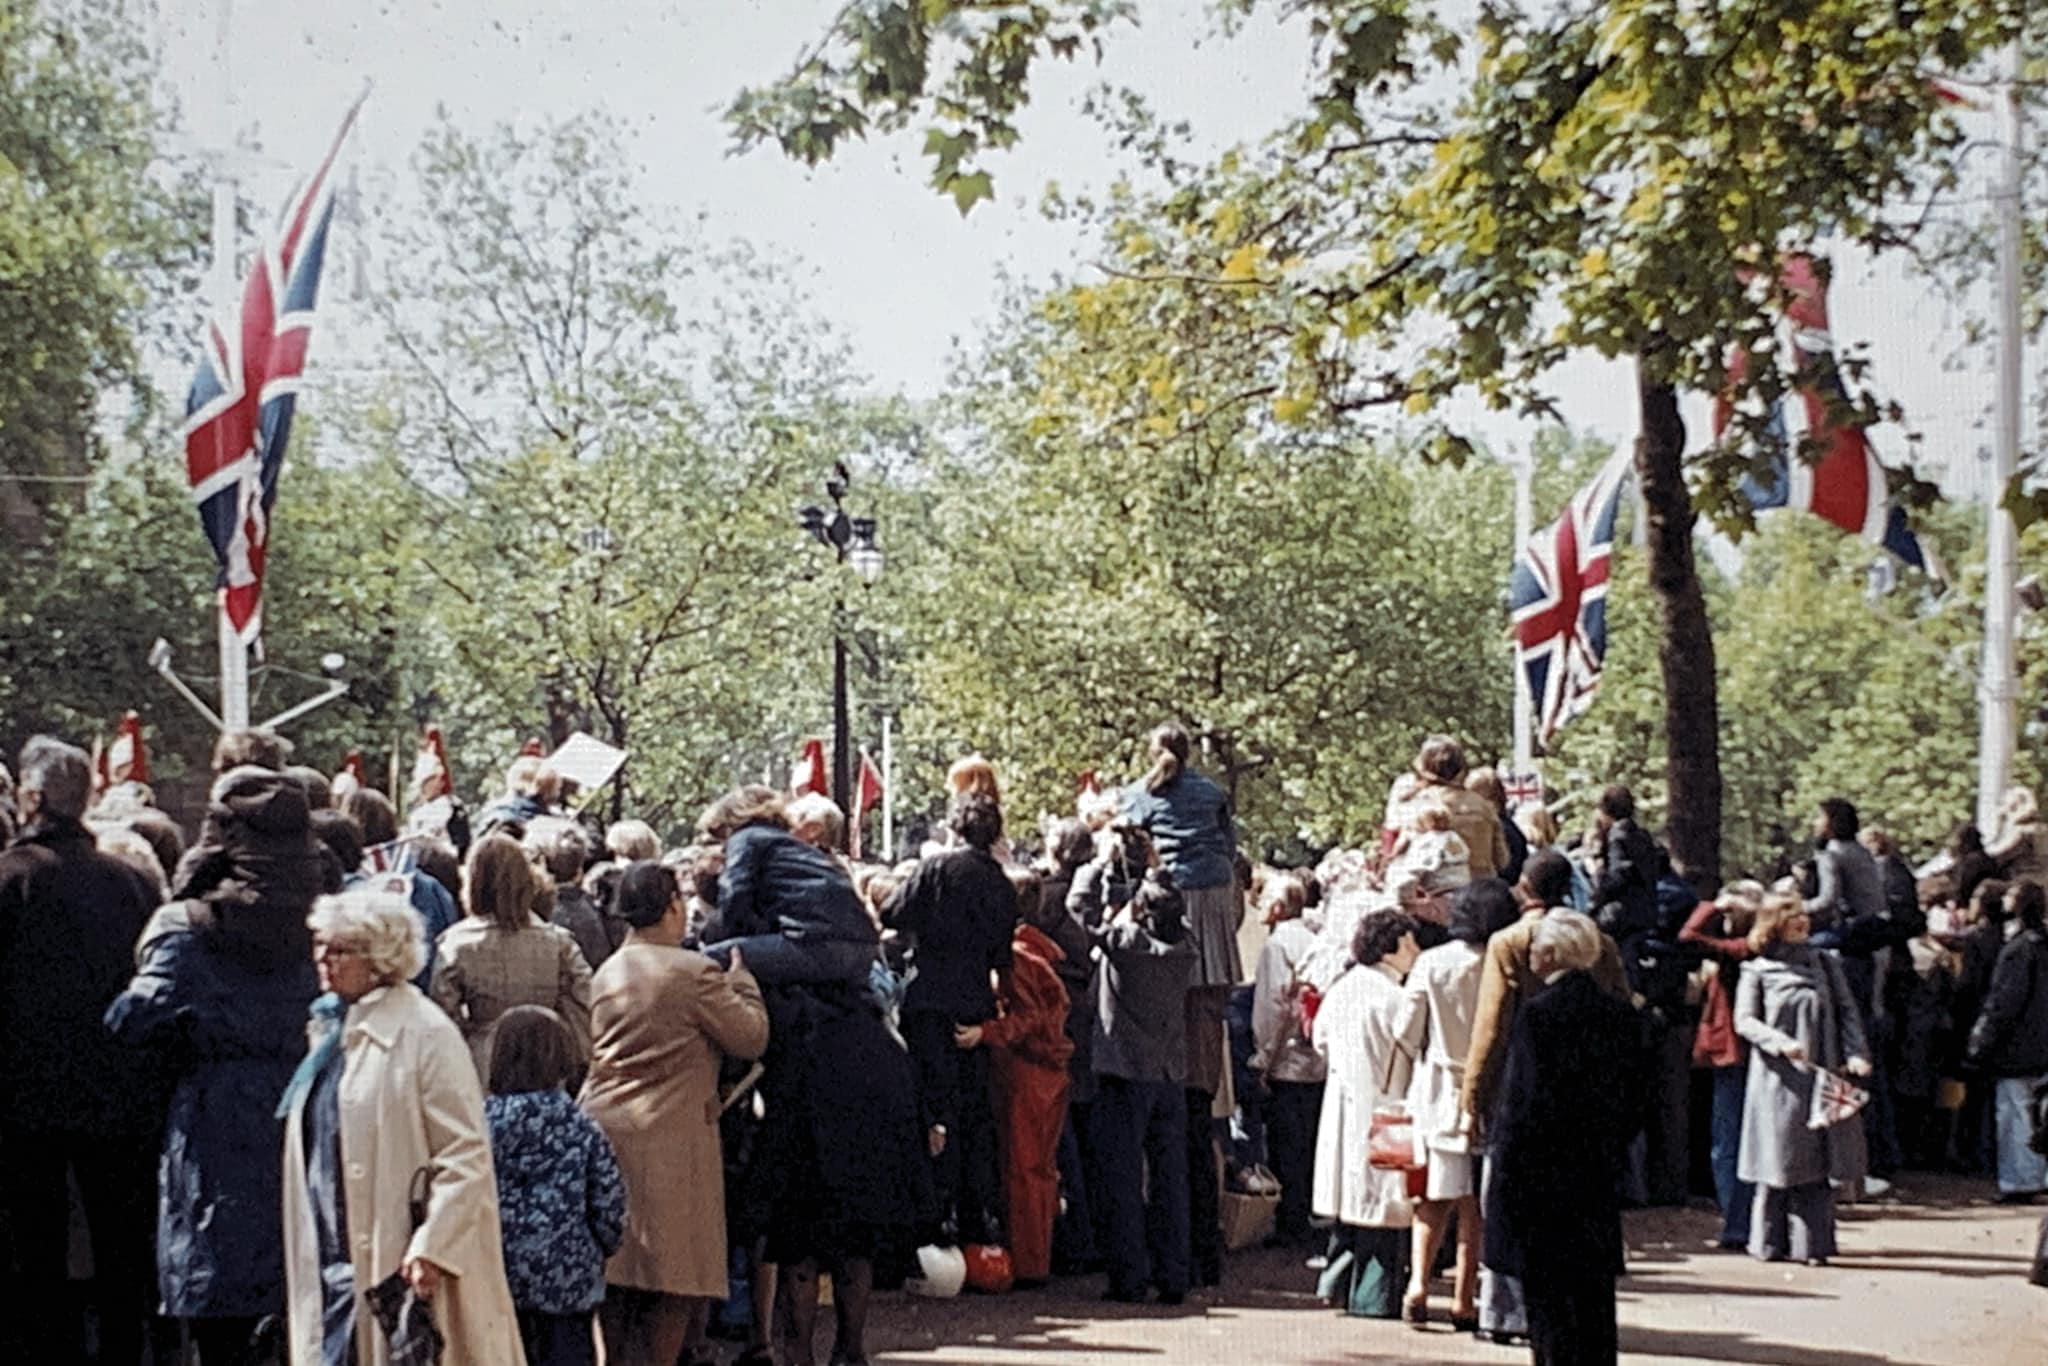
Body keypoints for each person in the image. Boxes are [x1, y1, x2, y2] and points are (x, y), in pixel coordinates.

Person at [106, 764, 336, 1365]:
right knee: (307, 1315)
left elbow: (134, 1019)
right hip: (311, 1125)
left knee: (222, 1325)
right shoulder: (331, 926)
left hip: (217, 1131)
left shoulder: (185, 928)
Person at [698, 785, 926, 1366]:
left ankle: (794, 1347)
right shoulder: (818, 863)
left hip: (807, 1090)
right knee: (855, 1239)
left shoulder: (750, 846)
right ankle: (850, 1346)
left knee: (797, 1234)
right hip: (869, 1070)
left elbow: (736, 905)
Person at [280, 887, 527, 1364]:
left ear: (379, 957)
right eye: (320, 945)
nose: (322, 959)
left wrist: (434, 1245)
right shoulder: (330, 1032)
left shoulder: (426, 1033)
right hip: (333, 1257)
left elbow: (466, 1154)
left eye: (339, 949)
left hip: (399, 1259)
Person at [0, 738, 163, 1364]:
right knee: (121, 1249)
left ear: (33, 798)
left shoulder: (10, 881)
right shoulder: (132, 884)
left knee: (35, 1252)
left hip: (25, 1103)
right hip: (117, 1095)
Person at [580, 862, 769, 1366]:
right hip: (675, 1135)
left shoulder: (607, 970)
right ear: (670, 907)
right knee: (677, 1277)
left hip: (606, 1130)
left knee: (615, 1274)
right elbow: (750, 1036)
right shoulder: (695, 972)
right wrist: (744, 983)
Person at [1485, 911, 1643, 1366]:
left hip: (1543, 1179)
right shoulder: (1619, 1015)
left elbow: (1521, 1106)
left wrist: (1506, 1178)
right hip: (1597, 1172)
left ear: (1551, 954)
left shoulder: (1538, 1017)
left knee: (1551, 1310)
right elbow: (1636, 1097)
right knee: (1595, 1304)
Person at [882, 793, 1017, 1248]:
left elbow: (892, 912)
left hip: (929, 1000)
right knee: (974, 1114)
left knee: (932, 1112)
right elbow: (1003, 955)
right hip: (974, 1002)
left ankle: (930, 1221)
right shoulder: (1001, 884)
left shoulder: (936, 869)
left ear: (954, 828)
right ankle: (974, 1221)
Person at [1394, 879, 1521, 1327]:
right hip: (1492, 1090)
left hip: (1437, 1088)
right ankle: (1465, 1299)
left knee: (1431, 1199)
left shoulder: (1432, 962)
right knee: (1476, 1206)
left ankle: (1418, 1285)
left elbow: (1405, 1030)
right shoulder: (1506, 961)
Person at [1735, 894, 1872, 1264]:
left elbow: (1847, 1013)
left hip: (1820, 1074)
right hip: (1777, 1081)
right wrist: (1778, 1043)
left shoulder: (1826, 964)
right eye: (1791, 915)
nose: (1801, 921)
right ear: (1772, 922)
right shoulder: (1756, 971)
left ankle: (1814, 1246)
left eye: (1803, 914)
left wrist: (1856, 1054)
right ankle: (1769, 1243)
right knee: (1778, 1160)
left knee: (1817, 1161)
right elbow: (1744, 1021)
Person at [486, 1006, 625, 1366]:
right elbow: (609, 1206)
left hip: (496, 1282)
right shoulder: (582, 1129)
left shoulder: (478, 1127)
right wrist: (598, 1251)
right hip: (568, 1285)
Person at [962, 867, 1074, 1285]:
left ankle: (1029, 1263)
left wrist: (987, 1032)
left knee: (1024, 1167)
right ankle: (1036, 1256)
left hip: (1027, 1070)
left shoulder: (1018, 956)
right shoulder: (1037, 951)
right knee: (1038, 1168)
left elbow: (1030, 1017)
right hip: (1045, 1070)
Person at [1092, 870, 1199, 1304]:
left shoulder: (1128, 945)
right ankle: (1174, 1273)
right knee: (1171, 1178)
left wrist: (1105, 870)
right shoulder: (1187, 948)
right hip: (1170, 1073)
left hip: (1126, 1070)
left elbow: (1081, 913)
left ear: (1141, 909)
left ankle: (1129, 1276)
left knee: (1123, 1176)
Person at [1310, 908, 1421, 1319]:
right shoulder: (1397, 997)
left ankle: (1334, 1285)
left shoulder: (1342, 988)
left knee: (1348, 1203)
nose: (1416, 950)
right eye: (1409, 942)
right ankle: (1372, 1299)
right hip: (1388, 1109)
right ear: (1390, 947)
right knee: (1383, 1210)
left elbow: (1319, 1040)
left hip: (1341, 1104)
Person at [432, 831, 593, 1081]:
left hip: (482, 1064)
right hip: (545, 1062)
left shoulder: (456, 944)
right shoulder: (558, 942)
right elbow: (583, 1001)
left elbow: (443, 1017)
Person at [1122, 722, 1242, 989]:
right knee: (1211, 988)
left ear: (1153, 753)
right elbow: (1229, 845)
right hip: (1215, 892)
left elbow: (1130, 852)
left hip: (1170, 895)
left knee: (1171, 984)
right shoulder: (1212, 791)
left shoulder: (1139, 794)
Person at [1680, 881, 1764, 1249]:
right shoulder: (1752, 949)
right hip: (1740, 1054)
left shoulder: (1742, 950)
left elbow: (1689, 935)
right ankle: (1746, 1219)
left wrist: (1714, 904)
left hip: (1734, 1053)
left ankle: (1737, 1223)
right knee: (1740, 1139)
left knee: (1728, 1142)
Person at [1250, 871, 1326, 1246]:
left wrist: (1263, 1059)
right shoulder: (1316, 940)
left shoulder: (1277, 946)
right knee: (1307, 1142)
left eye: (1264, 901)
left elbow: (1273, 1007)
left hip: (1287, 1060)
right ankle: (1305, 1214)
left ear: (1278, 908)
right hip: (1316, 1058)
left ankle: (1290, 1223)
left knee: (1286, 1145)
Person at [1964, 882, 2048, 1200]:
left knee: (2016, 1116)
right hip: (2042, 1045)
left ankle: (2021, 1180)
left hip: (2017, 1048)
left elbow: (2003, 1002)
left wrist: (1980, 1042)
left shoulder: (2017, 950)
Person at [1382, 735, 1509, 881]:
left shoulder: (1419, 805)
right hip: (1480, 894)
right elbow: (1502, 861)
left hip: (1435, 895)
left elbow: (1402, 858)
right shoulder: (1484, 807)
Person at [1586, 785, 1666, 965]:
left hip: (1621, 919)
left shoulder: (1618, 836)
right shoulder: (1642, 836)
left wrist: (1595, 871)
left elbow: (1617, 877)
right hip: (1643, 915)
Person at [1803, 798, 1885, 932]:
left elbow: (1828, 900)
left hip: (1855, 928)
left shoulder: (1832, 854)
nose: (1815, 823)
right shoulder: (1860, 850)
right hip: (1877, 923)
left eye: (1820, 817)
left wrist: (1800, 907)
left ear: (1832, 822)